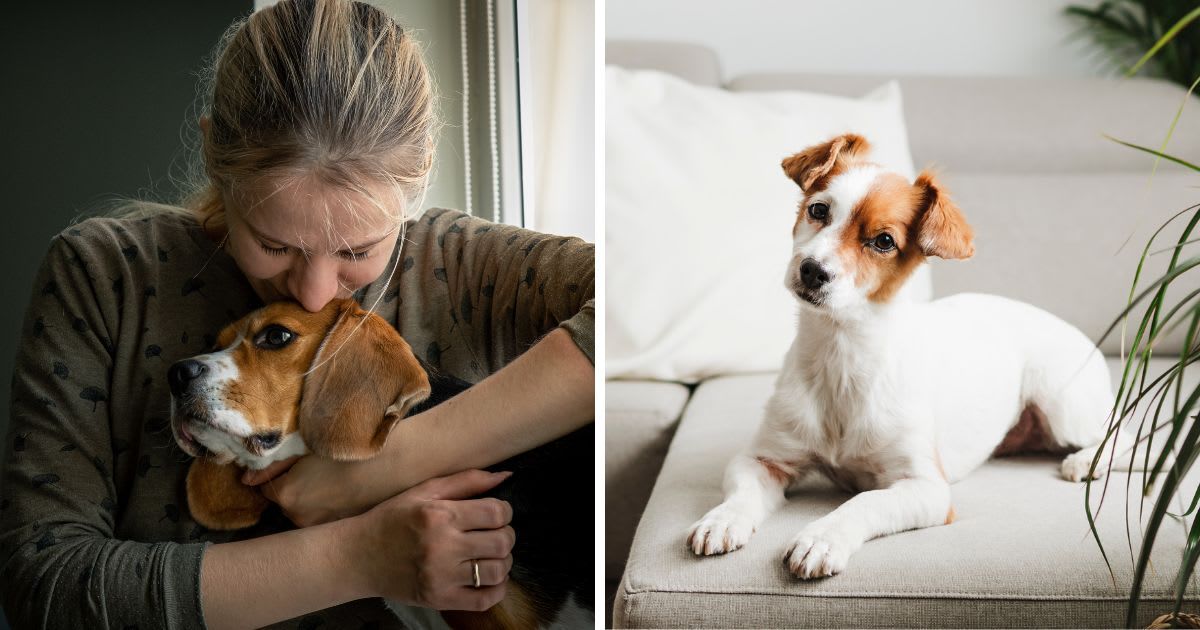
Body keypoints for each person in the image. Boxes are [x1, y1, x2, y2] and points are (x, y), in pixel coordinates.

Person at [0, 0, 595, 628]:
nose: (315, 294)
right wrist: (355, 556)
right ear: (213, 158)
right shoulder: (106, 273)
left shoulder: (467, 265)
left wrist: (391, 462)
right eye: (275, 245)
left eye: (358, 250)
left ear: (419, 174)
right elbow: (44, 581)